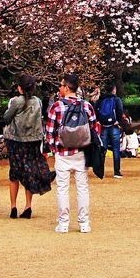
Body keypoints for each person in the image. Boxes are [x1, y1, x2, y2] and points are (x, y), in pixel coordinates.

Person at [45, 73, 99, 233]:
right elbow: (94, 129)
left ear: (67, 87)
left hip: (62, 152)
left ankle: (63, 223)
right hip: (82, 152)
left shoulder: (57, 106)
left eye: (61, 85)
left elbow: (50, 131)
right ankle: (84, 223)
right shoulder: (86, 106)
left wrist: (54, 149)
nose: (59, 88)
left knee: (62, 188)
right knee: (82, 187)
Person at [2, 75, 51, 219]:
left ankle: (13, 207)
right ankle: (28, 205)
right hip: (33, 141)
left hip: (16, 141)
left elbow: (6, 117)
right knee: (29, 172)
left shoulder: (16, 101)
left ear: (20, 87)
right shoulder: (38, 102)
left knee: (14, 173)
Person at [96, 83, 127, 179]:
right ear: (114, 89)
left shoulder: (101, 99)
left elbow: (96, 110)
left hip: (104, 126)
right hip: (114, 126)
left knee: (103, 150)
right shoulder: (116, 99)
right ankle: (117, 172)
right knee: (116, 149)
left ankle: (101, 172)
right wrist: (118, 121)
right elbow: (120, 111)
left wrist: (100, 121)